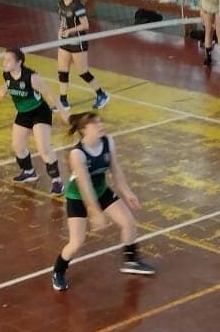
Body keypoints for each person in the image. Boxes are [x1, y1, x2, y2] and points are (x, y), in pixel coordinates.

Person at [52, 112, 155, 291]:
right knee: (76, 242)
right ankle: (58, 271)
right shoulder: (77, 154)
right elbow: (84, 186)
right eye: (95, 124)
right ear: (84, 130)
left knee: (129, 223)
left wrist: (127, 192)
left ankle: (130, 261)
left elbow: (115, 170)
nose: (100, 126)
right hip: (78, 197)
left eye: (100, 122)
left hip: (101, 190)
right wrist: (95, 212)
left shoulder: (108, 141)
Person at [0, 47, 69, 195]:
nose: (4, 63)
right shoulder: (6, 75)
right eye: (4, 60)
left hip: (39, 112)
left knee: (43, 148)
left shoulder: (31, 77)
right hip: (23, 113)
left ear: (19, 62)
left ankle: (57, 181)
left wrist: (63, 113)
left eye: (8, 60)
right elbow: (9, 84)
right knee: (17, 146)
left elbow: (49, 94)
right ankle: (29, 172)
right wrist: (3, 90)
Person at [55, 0, 109, 110]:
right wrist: (61, 30)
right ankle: (63, 101)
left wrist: (69, 31)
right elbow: (62, 19)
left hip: (77, 42)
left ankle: (102, 95)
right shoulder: (61, 2)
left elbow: (85, 25)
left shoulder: (77, 5)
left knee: (83, 72)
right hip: (65, 41)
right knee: (62, 71)